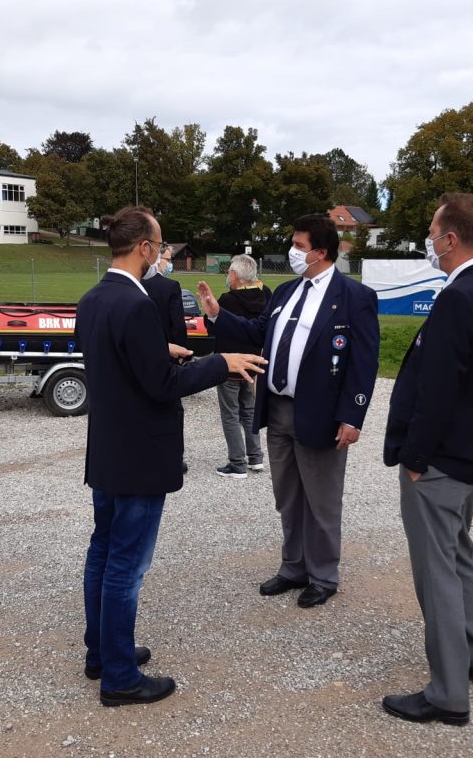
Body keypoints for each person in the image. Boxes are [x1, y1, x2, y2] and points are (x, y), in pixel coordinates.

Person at [77, 206, 266, 707]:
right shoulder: (136, 304)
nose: (163, 253)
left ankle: (102, 651)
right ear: (143, 248)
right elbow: (160, 387)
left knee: (102, 550)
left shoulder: (94, 298)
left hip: (109, 448)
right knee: (125, 564)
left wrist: (163, 352)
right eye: (160, 245)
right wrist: (218, 362)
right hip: (139, 451)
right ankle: (118, 677)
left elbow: (122, 365)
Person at [380, 193, 473, 726]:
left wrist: (415, 457)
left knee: (436, 570)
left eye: (432, 232)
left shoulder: (462, 296)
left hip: (442, 462)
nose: (429, 242)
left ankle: (447, 693)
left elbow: (439, 388)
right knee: (460, 554)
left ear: (451, 238)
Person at [198, 214, 379, 608]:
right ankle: (293, 567)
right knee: (288, 496)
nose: (292, 252)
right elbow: (258, 332)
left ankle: (323, 575)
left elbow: (364, 363)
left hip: (321, 414)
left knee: (322, 500)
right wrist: (217, 313)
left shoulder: (353, 297)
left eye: (299, 246)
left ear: (321, 252)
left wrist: (353, 416)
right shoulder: (284, 292)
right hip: (278, 409)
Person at [212, 254, 271, 479]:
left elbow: (215, 326)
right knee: (249, 410)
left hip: (230, 364)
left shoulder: (228, 300)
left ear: (235, 275)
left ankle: (237, 463)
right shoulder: (265, 295)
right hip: (254, 361)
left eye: (229, 273)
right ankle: (255, 456)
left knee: (230, 414)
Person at [142, 245, 190, 473]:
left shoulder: (135, 285)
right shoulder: (170, 287)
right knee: (172, 409)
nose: (169, 263)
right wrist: (183, 353)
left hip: (140, 356)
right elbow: (178, 325)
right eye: (168, 259)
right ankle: (174, 456)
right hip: (167, 356)